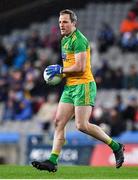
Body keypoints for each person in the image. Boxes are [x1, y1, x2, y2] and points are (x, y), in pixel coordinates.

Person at [32, 9, 124, 172]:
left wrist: (60, 71)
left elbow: (80, 67)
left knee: (82, 125)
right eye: (60, 22)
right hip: (70, 86)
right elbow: (69, 66)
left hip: (84, 85)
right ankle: (52, 161)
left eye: (65, 22)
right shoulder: (64, 40)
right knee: (59, 121)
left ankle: (116, 146)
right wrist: (61, 73)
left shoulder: (79, 40)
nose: (62, 25)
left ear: (74, 23)